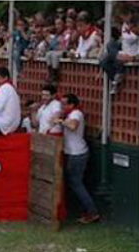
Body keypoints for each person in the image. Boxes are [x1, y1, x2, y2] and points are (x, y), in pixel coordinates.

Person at [54, 94, 100, 224]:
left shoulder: (76, 114)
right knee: (75, 183)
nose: (62, 107)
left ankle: (92, 211)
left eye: (64, 104)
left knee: (76, 183)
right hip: (73, 153)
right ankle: (88, 210)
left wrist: (61, 121)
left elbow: (73, 126)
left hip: (77, 154)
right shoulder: (70, 114)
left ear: (71, 105)